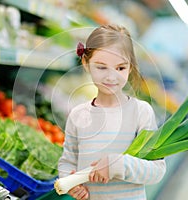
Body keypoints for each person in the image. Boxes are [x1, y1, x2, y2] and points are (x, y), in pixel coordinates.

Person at [58, 24, 166, 200]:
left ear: (130, 67)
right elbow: (67, 160)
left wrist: (118, 164)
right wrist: (70, 182)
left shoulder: (141, 112)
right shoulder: (78, 115)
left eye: (120, 68)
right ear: (86, 63)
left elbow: (157, 170)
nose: (111, 76)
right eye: (101, 67)